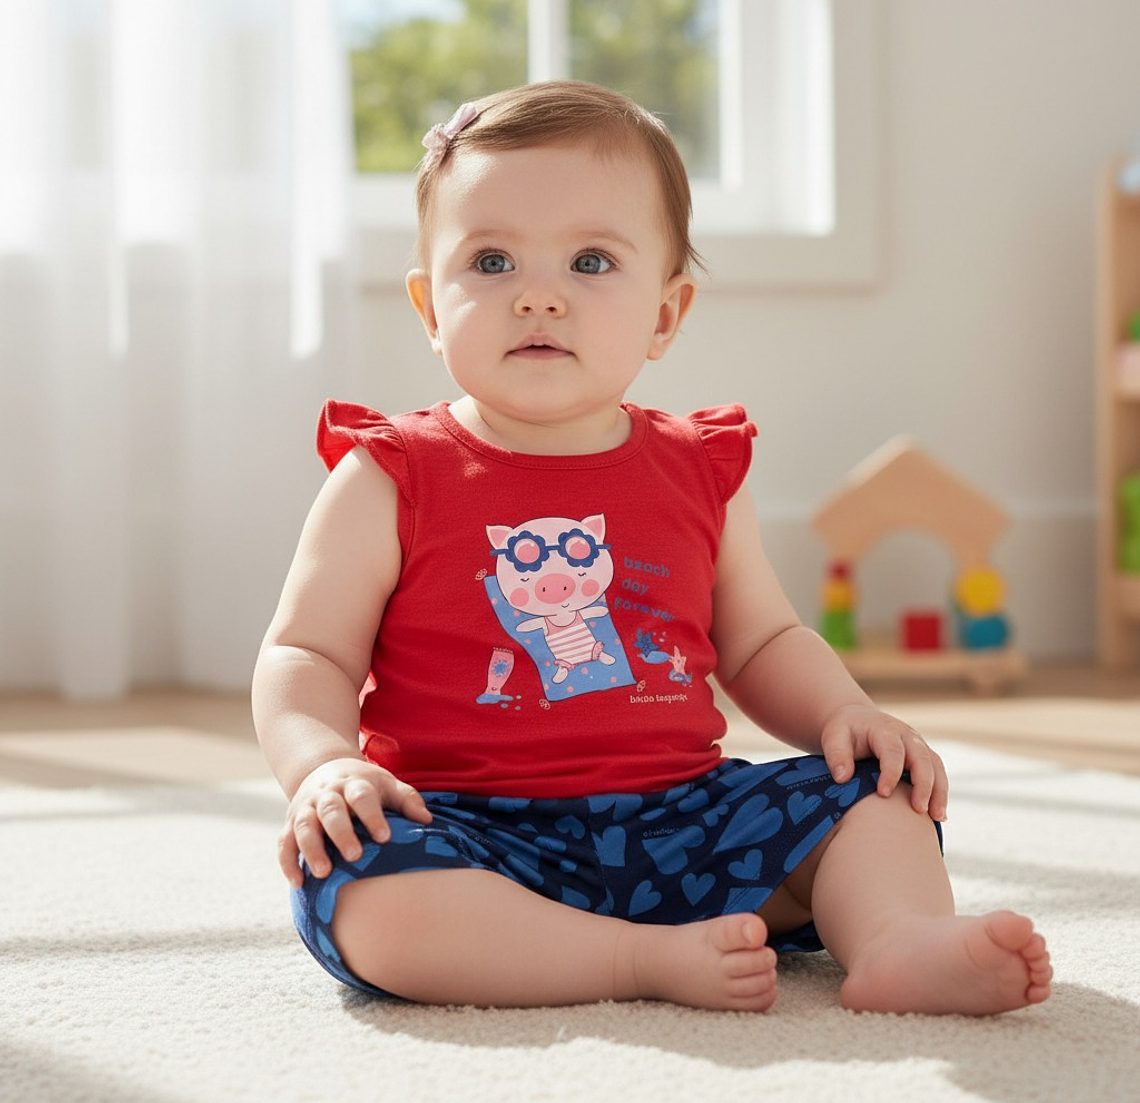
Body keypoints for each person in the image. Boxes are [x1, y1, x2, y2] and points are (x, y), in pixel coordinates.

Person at [252, 80, 1052, 1015]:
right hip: (468, 831)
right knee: (363, 884)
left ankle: (897, 942)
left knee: (875, 799)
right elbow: (306, 650)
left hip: (682, 821)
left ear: (667, 314)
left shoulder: (699, 468)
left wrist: (846, 710)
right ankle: (628, 961)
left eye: (590, 261)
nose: (539, 298)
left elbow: (760, 643)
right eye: (494, 260)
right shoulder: (391, 474)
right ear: (431, 308)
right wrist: (323, 765)